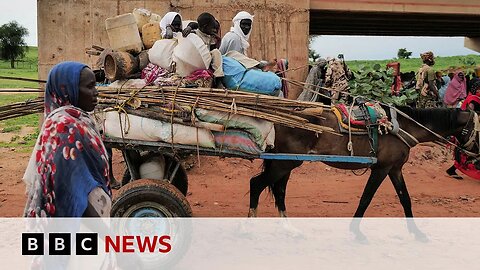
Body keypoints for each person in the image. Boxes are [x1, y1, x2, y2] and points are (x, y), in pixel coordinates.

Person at [23, 61, 111, 217]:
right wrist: (105, 233)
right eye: (89, 87)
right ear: (67, 90)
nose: (96, 92)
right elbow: (71, 192)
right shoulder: (64, 127)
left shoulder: (78, 120)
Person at [446, 80, 480, 180]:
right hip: (471, 128)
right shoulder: (472, 99)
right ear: (476, 90)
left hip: (476, 127)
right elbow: (470, 114)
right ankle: (452, 170)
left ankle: (452, 170)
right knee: (467, 153)